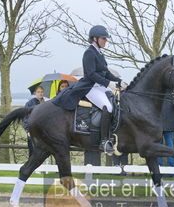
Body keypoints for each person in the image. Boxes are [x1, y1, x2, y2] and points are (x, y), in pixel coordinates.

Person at [52, 25, 126, 155]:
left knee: (116, 103)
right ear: (95, 38)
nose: (106, 41)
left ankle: (113, 135)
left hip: (101, 87)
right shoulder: (89, 53)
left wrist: (119, 82)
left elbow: (106, 72)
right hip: (90, 87)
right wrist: (109, 83)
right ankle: (104, 141)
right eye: (103, 38)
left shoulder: (100, 53)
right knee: (107, 107)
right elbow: (91, 74)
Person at [24, 86, 45, 158]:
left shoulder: (45, 103)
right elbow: (26, 117)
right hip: (32, 130)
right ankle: (31, 168)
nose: (40, 93)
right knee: (32, 151)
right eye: (38, 92)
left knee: (42, 151)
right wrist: (27, 130)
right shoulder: (30, 103)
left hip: (42, 131)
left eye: (42, 92)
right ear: (35, 93)